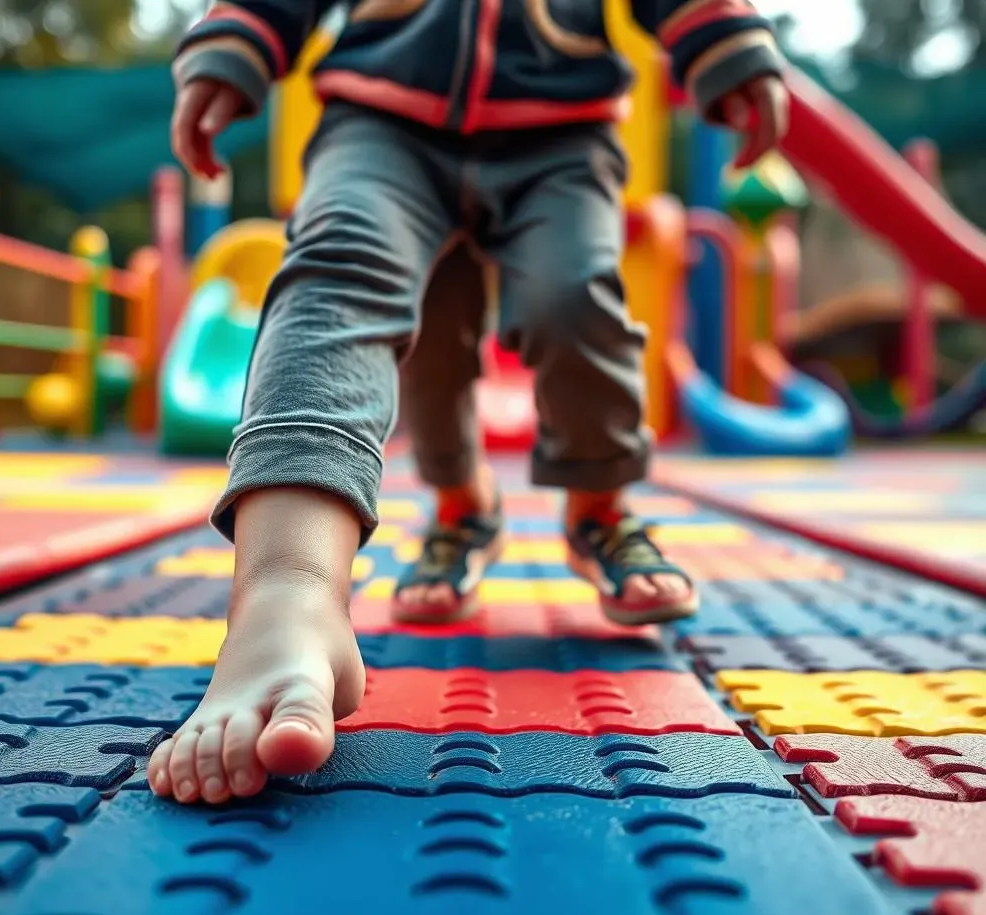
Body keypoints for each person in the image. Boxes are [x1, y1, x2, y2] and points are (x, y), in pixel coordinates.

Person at [148, 0, 789, 805]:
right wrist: (234, 45)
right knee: (348, 284)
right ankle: (295, 588)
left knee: (573, 301)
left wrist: (726, 43)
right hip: (382, 116)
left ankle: (598, 511)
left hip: (559, 123)